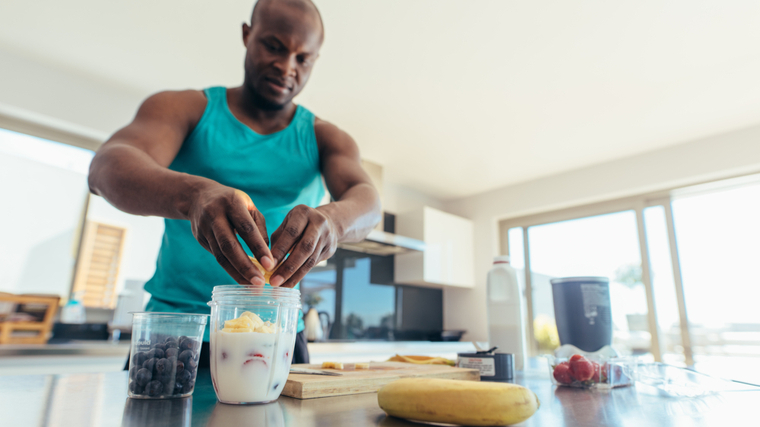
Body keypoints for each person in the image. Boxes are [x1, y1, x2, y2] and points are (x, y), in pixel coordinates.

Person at [88, 0, 381, 366]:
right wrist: (193, 195)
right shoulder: (187, 108)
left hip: (277, 334)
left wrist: (335, 223)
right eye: (274, 46)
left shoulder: (326, 138)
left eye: (302, 58)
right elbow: (105, 168)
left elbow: (368, 203)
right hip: (179, 330)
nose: (287, 66)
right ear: (247, 35)